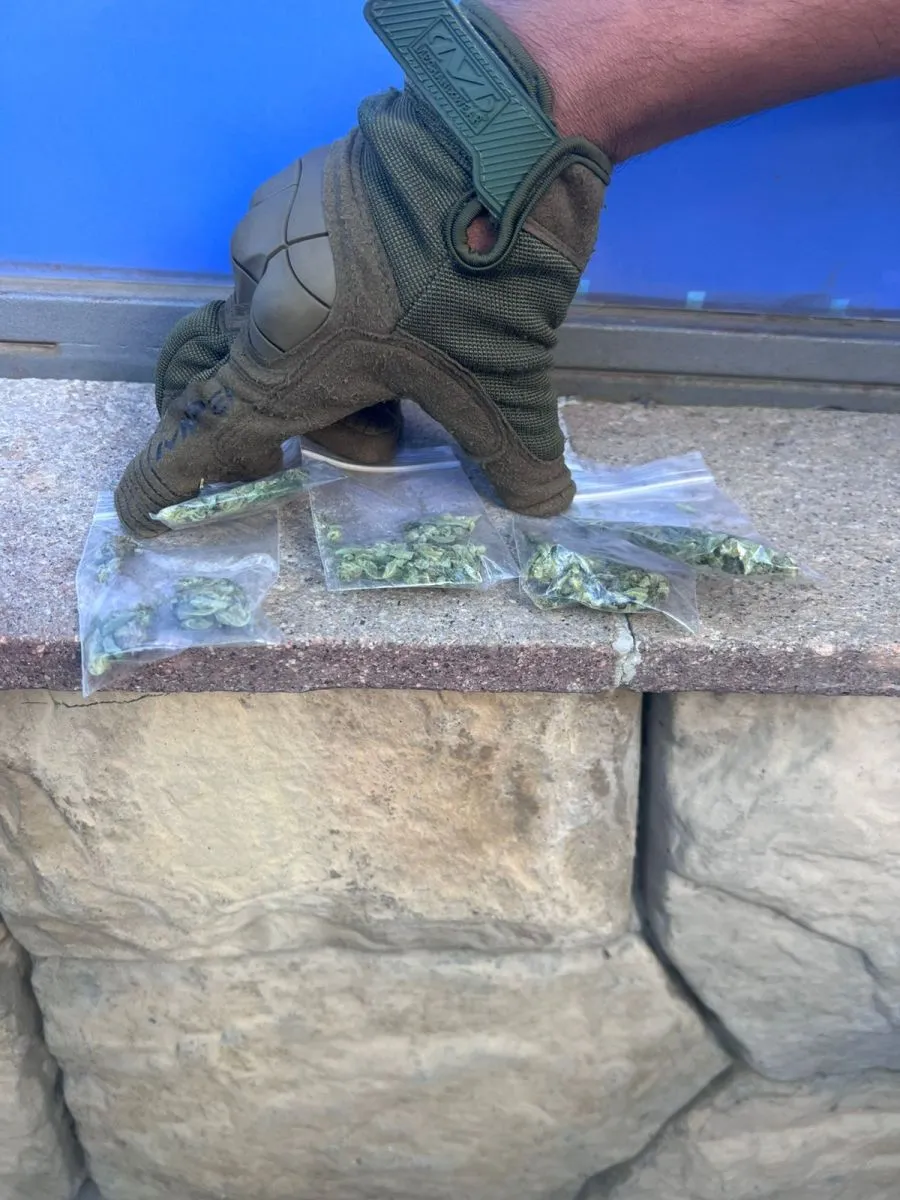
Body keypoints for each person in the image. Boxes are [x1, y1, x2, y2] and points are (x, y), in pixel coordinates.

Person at [114, 0, 900, 535]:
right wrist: (424, 218)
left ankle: (416, 175)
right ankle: (420, 193)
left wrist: (413, 170)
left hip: (383, 189)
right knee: (536, 496)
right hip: (453, 232)